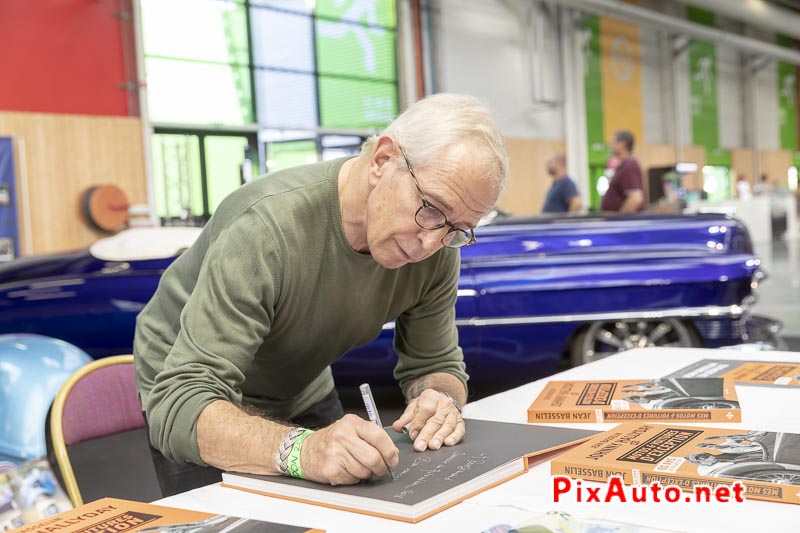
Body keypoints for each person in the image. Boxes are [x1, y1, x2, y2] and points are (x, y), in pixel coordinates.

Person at [133, 93, 508, 496]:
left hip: (299, 382)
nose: (430, 242)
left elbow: (435, 362)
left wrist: (440, 399)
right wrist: (303, 451)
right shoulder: (266, 228)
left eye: (456, 228)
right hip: (191, 390)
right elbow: (182, 401)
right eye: (432, 208)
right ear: (383, 160)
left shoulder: (436, 245)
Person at [600, 130, 646, 213]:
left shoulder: (630, 167)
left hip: (624, 224)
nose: (610, 145)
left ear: (622, 144)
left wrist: (620, 220)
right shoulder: (623, 166)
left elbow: (635, 198)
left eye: (613, 141)